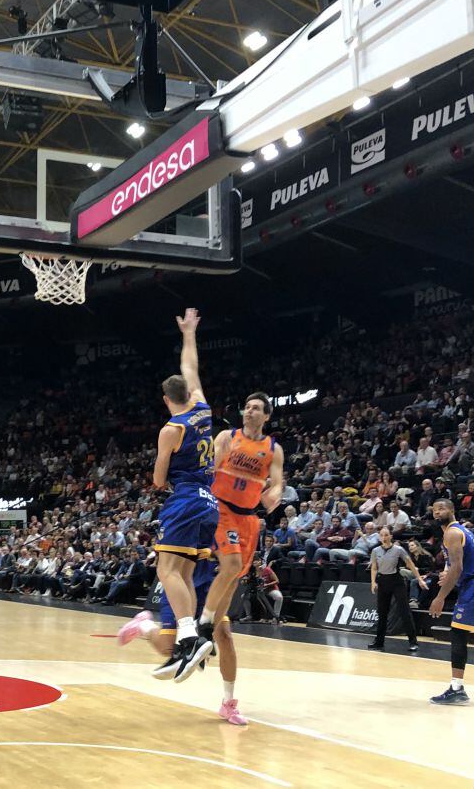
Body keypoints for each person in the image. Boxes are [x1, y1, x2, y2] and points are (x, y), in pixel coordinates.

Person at [149, 307, 216, 682]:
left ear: (165, 399)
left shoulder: (170, 429)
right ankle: (189, 642)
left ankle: (188, 635)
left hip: (187, 498)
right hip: (209, 502)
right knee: (186, 572)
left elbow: (159, 481)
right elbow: (190, 366)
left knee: (166, 568)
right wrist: (189, 333)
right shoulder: (203, 407)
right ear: (188, 393)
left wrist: (162, 464)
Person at [119, 548, 246, 725]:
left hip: (211, 585)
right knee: (167, 649)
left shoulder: (223, 523)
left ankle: (228, 702)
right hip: (182, 583)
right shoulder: (182, 526)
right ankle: (143, 625)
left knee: (224, 635)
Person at [198, 392, 284, 649]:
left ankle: (210, 631)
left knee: (234, 578)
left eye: (256, 408)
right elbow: (209, 469)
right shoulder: (227, 437)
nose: (249, 411)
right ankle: (203, 624)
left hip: (248, 517)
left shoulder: (273, 449)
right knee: (232, 563)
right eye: (247, 407)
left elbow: (278, 483)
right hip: (222, 508)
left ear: (266, 416)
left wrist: (274, 494)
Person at [429, 499, 474, 704]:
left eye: (442, 508)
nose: (438, 512)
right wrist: (446, 574)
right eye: (435, 510)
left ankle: (457, 688)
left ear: (452, 510)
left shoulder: (453, 533)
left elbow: (458, 567)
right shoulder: (458, 532)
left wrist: (440, 597)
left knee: (458, 632)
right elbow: (452, 565)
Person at [368, 525, 425, 653]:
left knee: (404, 611)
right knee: (382, 613)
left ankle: (413, 642)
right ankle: (379, 641)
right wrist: (373, 582)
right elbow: (374, 568)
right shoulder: (375, 551)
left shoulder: (398, 549)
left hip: (396, 581)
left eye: (386, 535)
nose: (384, 537)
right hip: (382, 581)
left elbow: (410, 564)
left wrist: (420, 579)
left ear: (391, 536)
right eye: (382, 535)